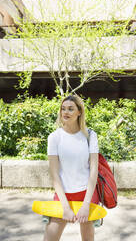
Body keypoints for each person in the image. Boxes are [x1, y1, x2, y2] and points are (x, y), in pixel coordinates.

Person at [43, 95, 99, 241]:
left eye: (70, 109)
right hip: (63, 195)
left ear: (79, 112)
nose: (65, 112)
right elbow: (54, 174)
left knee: (88, 237)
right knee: (50, 236)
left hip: (86, 194)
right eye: (63, 109)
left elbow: (93, 171)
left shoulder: (90, 135)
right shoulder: (54, 137)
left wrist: (86, 205)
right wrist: (65, 207)